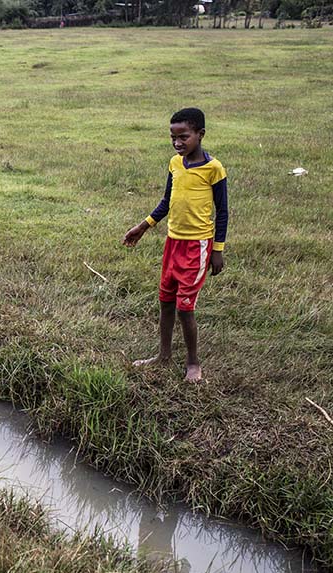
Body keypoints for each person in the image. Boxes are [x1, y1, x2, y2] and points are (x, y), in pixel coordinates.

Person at [122, 107, 228, 382]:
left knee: (185, 306)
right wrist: (143, 226)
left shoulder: (213, 169)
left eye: (184, 137)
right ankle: (163, 356)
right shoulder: (175, 163)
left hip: (198, 246)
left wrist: (217, 250)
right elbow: (166, 203)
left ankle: (193, 362)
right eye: (173, 138)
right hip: (173, 243)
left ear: (200, 134)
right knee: (166, 301)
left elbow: (223, 212)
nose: (178, 143)